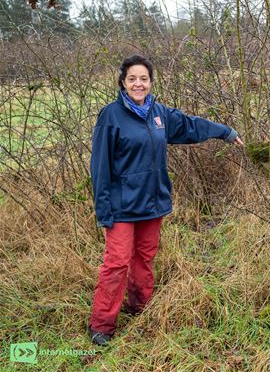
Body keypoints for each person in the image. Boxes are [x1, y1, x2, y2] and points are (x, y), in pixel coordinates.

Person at [89, 54, 243, 346]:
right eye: (132, 78)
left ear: (150, 82)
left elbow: (189, 125)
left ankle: (139, 307)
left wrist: (225, 132)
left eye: (143, 78)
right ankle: (102, 325)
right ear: (123, 82)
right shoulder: (111, 115)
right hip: (122, 207)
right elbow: (100, 167)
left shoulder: (158, 114)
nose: (138, 83)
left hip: (152, 202)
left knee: (144, 259)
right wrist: (104, 209)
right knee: (117, 263)